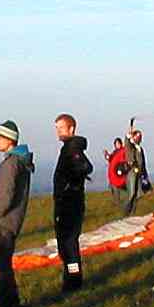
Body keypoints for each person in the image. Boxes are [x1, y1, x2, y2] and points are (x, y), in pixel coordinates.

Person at [0, 120, 35, 307]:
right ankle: (12, 305)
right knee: (5, 265)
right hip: (11, 221)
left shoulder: (11, 164)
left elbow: (5, 196)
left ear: (10, 140)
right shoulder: (17, 162)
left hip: (4, 222)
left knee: (2, 267)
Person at [53, 113, 93, 293]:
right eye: (57, 128)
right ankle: (71, 278)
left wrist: (71, 183)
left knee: (69, 245)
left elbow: (85, 167)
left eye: (61, 128)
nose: (58, 132)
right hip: (66, 202)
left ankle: (74, 281)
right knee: (65, 245)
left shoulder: (72, 149)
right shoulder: (68, 148)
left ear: (71, 129)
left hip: (70, 204)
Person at [120, 128, 151, 216]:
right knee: (132, 193)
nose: (139, 139)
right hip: (132, 172)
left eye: (140, 137)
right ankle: (126, 212)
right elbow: (127, 142)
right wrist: (128, 136)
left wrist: (145, 175)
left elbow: (143, 163)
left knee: (137, 194)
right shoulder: (130, 146)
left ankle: (132, 213)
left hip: (139, 173)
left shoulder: (140, 149)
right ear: (134, 137)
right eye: (137, 137)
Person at [104, 137, 124, 205]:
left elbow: (122, 161)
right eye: (116, 144)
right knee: (113, 187)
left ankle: (117, 201)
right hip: (112, 173)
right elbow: (110, 159)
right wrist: (106, 154)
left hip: (118, 172)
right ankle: (116, 201)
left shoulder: (123, 151)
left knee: (116, 187)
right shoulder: (115, 152)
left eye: (118, 143)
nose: (117, 145)